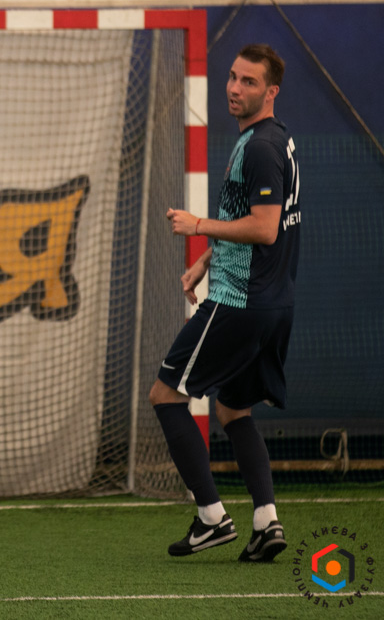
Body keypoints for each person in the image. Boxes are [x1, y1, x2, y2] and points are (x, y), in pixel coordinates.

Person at [154, 44, 300, 562]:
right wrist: (206, 258)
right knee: (233, 408)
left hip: (240, 302)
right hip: (273, 305)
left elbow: (264, 228)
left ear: (271, 91)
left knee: (165, 395)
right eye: (233, 77)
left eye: (249, 82)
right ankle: (266, 522)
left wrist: (198, 226)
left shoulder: (260, 147)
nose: (235, 88)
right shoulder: (275, 140)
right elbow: (253, 217)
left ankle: (212, 518)